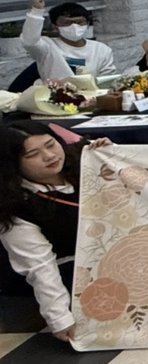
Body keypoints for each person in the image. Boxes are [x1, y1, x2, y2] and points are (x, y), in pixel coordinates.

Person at [0, 122, 112, 343]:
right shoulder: (16, 207)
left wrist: (114, 153)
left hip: (108, 251)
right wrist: (60, 319)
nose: (49, 156)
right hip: (67, 267)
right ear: (13, 164)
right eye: (33, 154)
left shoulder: (84, 159)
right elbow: (40, 266)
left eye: (50, 144)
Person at [22, 0, 117, 81]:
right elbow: (30, 42)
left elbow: (107, 80)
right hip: (56, 94)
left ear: (88, 24)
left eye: (79, 22)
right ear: (55, 26)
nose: (74, 26)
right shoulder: (47, 46)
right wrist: (36, 12)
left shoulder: (101, 50)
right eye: (67, 23)